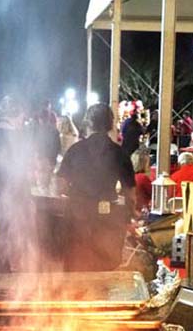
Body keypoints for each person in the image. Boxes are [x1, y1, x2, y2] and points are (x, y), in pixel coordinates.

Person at [56, 103, 136, 271]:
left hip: (77, 219)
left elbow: (60, 187)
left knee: (76, 270)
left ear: (88, 123)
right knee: (104, 271)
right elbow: (130, 194)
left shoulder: (75, 150)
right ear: (111, 124)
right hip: (107, 221)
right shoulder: (119, 153)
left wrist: (75, 192)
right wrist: (128, 216)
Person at [0, 96, 36, 272]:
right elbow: (28, 171)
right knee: (21, 244)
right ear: (16, 114)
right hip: (20, 197)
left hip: (0, 197)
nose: (23, 120)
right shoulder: (23, 136)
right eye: (22, 116)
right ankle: (19, 285)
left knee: (0, 242)